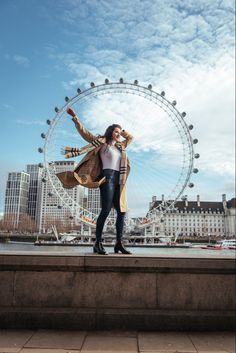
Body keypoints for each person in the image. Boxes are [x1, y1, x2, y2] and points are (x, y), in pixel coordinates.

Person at [56, 107, 133, 255]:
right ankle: (97, 243)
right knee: (105, 211)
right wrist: (75, 118)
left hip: (120, 179)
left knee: (121, 212)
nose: (118, 135)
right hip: (107, 177)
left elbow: (130, 138)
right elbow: (84, 133)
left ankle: (118, 243)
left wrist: (122, 131)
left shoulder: (120, 146)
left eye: (119, 132)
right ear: (110, 131)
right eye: (116, 132)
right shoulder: (101, 143)